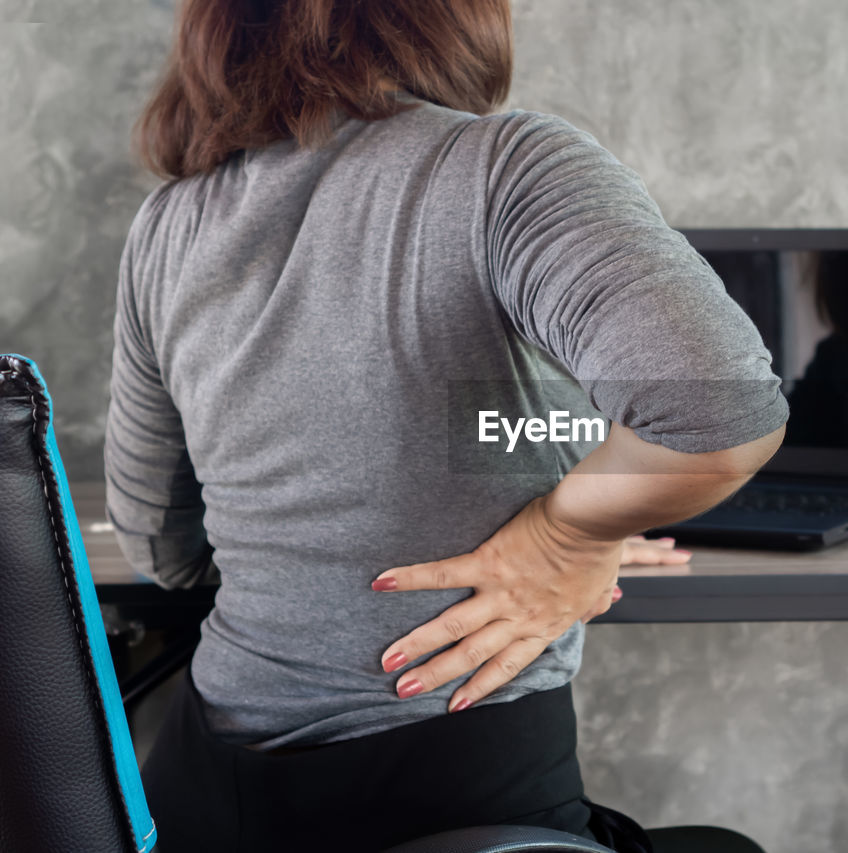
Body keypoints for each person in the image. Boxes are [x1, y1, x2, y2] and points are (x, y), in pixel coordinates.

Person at [106, 1, 787, 851]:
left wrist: (585, 494)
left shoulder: (165, 226)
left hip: (204, 799)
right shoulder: (502, 164)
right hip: (450, 796)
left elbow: (163, 550)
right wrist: (564, 534)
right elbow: (719, 414)